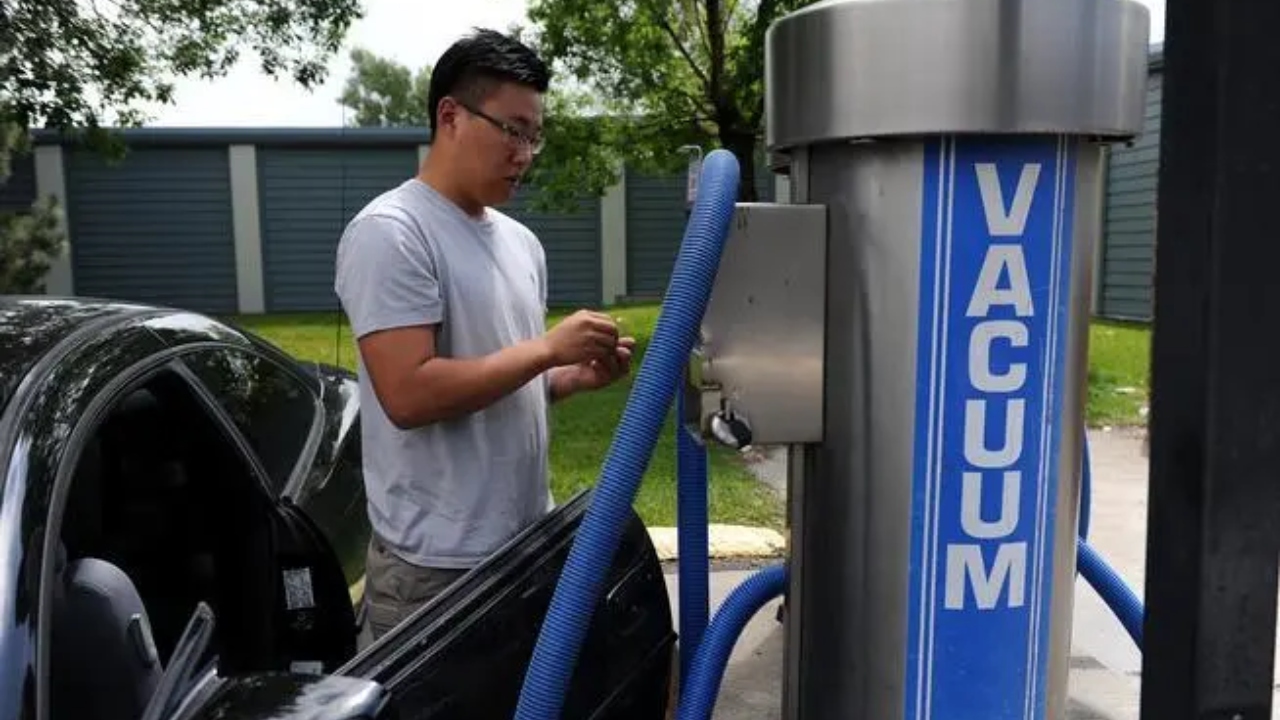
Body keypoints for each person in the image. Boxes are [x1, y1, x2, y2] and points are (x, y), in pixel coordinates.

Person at [334, 28, 636, 642]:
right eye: (513, 130)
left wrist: (560, 378)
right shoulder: (393, 232)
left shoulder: (520, 243)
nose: (525, 153)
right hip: (437, 571)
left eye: (535, 135)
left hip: (524, 544)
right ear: (451, 115)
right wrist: (545, 349)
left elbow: (497, 372)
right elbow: (410, 394)